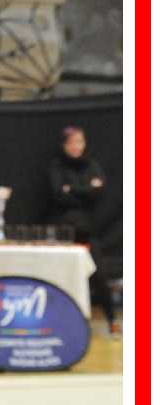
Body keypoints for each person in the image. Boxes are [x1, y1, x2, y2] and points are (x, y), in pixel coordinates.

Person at [47, 125, 118, 332]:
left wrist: (72, 189)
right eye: (72, 142)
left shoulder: (92, 165)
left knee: (99, 274)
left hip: (88, 231)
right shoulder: (56, 167)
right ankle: (57, 322)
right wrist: (87, 189)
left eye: (80, 142)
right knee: (61, 276)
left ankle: (112, 320)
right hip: (65, 232)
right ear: (64, 145)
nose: (76, 146)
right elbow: (59, 195)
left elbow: (99, 192)